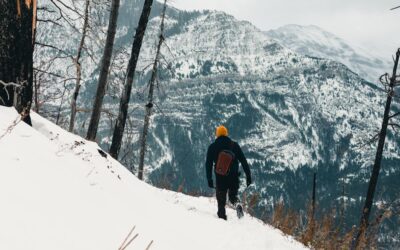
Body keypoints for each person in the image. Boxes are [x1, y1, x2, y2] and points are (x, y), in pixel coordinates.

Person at [205, 125, 252, 220]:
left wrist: (209, 179)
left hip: (220, 177)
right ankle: (237, 204)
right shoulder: (234, 145)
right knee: (233, 196)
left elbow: (208, 164)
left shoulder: (212, 147)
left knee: (221, 199)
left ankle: (222, 218)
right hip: (234, 176)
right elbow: (243, 161)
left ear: (217, 135)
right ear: (226, 134)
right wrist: (248, 176)